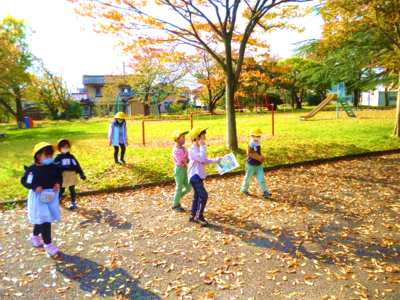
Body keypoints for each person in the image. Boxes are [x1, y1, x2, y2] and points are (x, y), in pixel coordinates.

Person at [21, 142, 63, 256]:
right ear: (39, 156)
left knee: (43, 217)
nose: (50, 158)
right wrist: (34, 187)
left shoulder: (54, 167)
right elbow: (24, 181)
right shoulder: (32, 169)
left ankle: (34, 237)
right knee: (45, 220)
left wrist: (58, 184)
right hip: (38, 197)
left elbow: (59, 177)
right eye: (47, 155)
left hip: (50, 196)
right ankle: (48, 245)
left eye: (51, 155)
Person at [187, 126, 221, 225]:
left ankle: (193, 215)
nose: (205, 139)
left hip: (199, 175)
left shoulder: (199, 148)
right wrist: (203, 146)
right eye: (203, 137)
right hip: (194, 176)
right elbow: (201, 159)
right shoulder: (192, 149)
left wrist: (216, 160)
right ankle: (199, 216)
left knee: (197, 195)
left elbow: (205, 160)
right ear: (197, 138)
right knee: (203, 195)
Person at [54, 138, 86, 210]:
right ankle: (57, 199)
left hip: (71, 175)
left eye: (67, 147)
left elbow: (76, 165)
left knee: (72, 189)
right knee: (62, 189)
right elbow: (54, 167)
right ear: (59, 148)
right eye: (63, 147)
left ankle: (73, 201)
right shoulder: (58, 157)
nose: (65, 149)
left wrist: (81, 173)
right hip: (63, 176)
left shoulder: (71, 156)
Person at [240, 127, 272, 198]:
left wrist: (260, 158)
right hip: (251, 164)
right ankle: (243, 189)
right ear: (252, 136)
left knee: (261, 179)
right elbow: (249, 153)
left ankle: (265, 192)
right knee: (248, 178)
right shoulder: (251, 143)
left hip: (258, 165)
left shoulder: (258, 143)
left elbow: (257, 152)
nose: (257, 138)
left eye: (258, 136)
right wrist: (259, 157)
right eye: (255, 136)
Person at [171, 129, 191, 212]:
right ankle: (175, 205)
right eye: (182, 137)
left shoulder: (184, 148)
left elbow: (188, 157)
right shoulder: (175, 150)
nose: (184, 139)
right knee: (179, 188)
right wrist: (187, 159)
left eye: (184, 137)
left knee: (188, 187)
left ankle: (176, 197)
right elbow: (182, 161)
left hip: (184, 169)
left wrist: (187, 159)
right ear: (177, 139)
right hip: (179, 170)